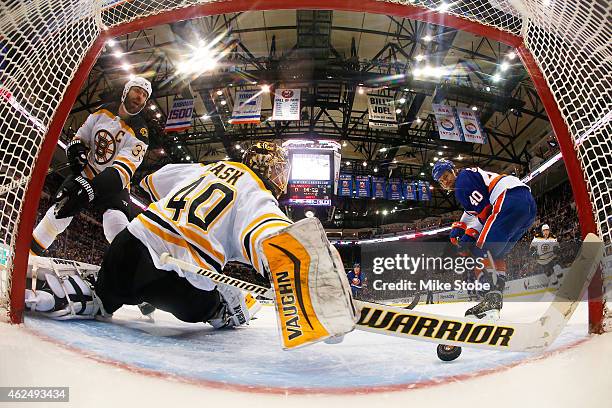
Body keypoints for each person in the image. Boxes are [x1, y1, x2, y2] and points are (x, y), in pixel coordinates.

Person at [25, 142, 356, 349]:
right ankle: (221, 311)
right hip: (180, 276)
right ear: (277, 176)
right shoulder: (257, 193)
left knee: (108, 294)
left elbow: (153, 181)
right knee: (219, 306)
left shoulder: (206, 168)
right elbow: (275, 238)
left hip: (132, 242)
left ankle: (91, 294)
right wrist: (317, 297)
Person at [30, 76, 152, 255]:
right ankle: (28, 257)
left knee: (116, 226)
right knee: (58, 213)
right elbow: (80, 137)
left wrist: (89, 190)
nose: (140, 97)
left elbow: (121, 172)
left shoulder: (141, 133)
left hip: (113, 184)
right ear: (126, 90)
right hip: (88, 172)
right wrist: (77, 153)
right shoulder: (102, 111)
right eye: (137, 91)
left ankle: (127, 272)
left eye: (144, 95)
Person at [433, 159, 536, 319]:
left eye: (445, 176)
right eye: (441, 181)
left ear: (453, 170)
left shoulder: (463, 180)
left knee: (479, 251)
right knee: (496, 254)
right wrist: (460, 226)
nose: (445, 182)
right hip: (527, 207)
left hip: (508, 198)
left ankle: (491, 300)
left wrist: (468, 236)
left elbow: (486, 210)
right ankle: (494, 300)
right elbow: (472, 212)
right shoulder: (466, 179)